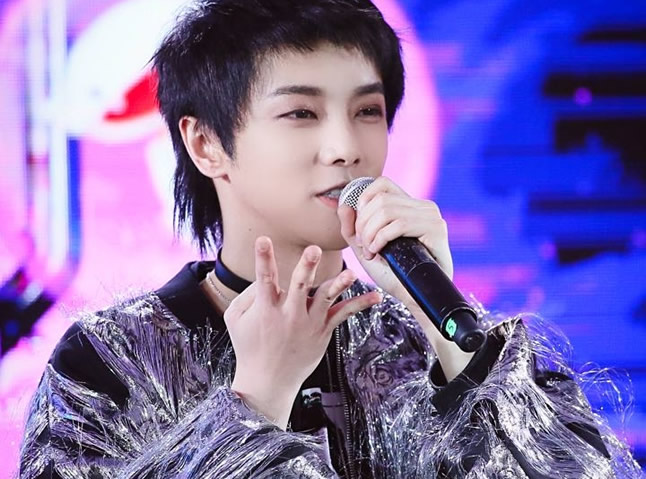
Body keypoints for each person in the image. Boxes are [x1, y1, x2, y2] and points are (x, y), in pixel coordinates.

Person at [19, 0, 642, 477]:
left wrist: (454, 341)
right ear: (206, 144)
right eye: (301, 113)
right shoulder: (106, 361)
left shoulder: (423, 345)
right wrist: (256, 401)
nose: (346, 148)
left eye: (367, 111)